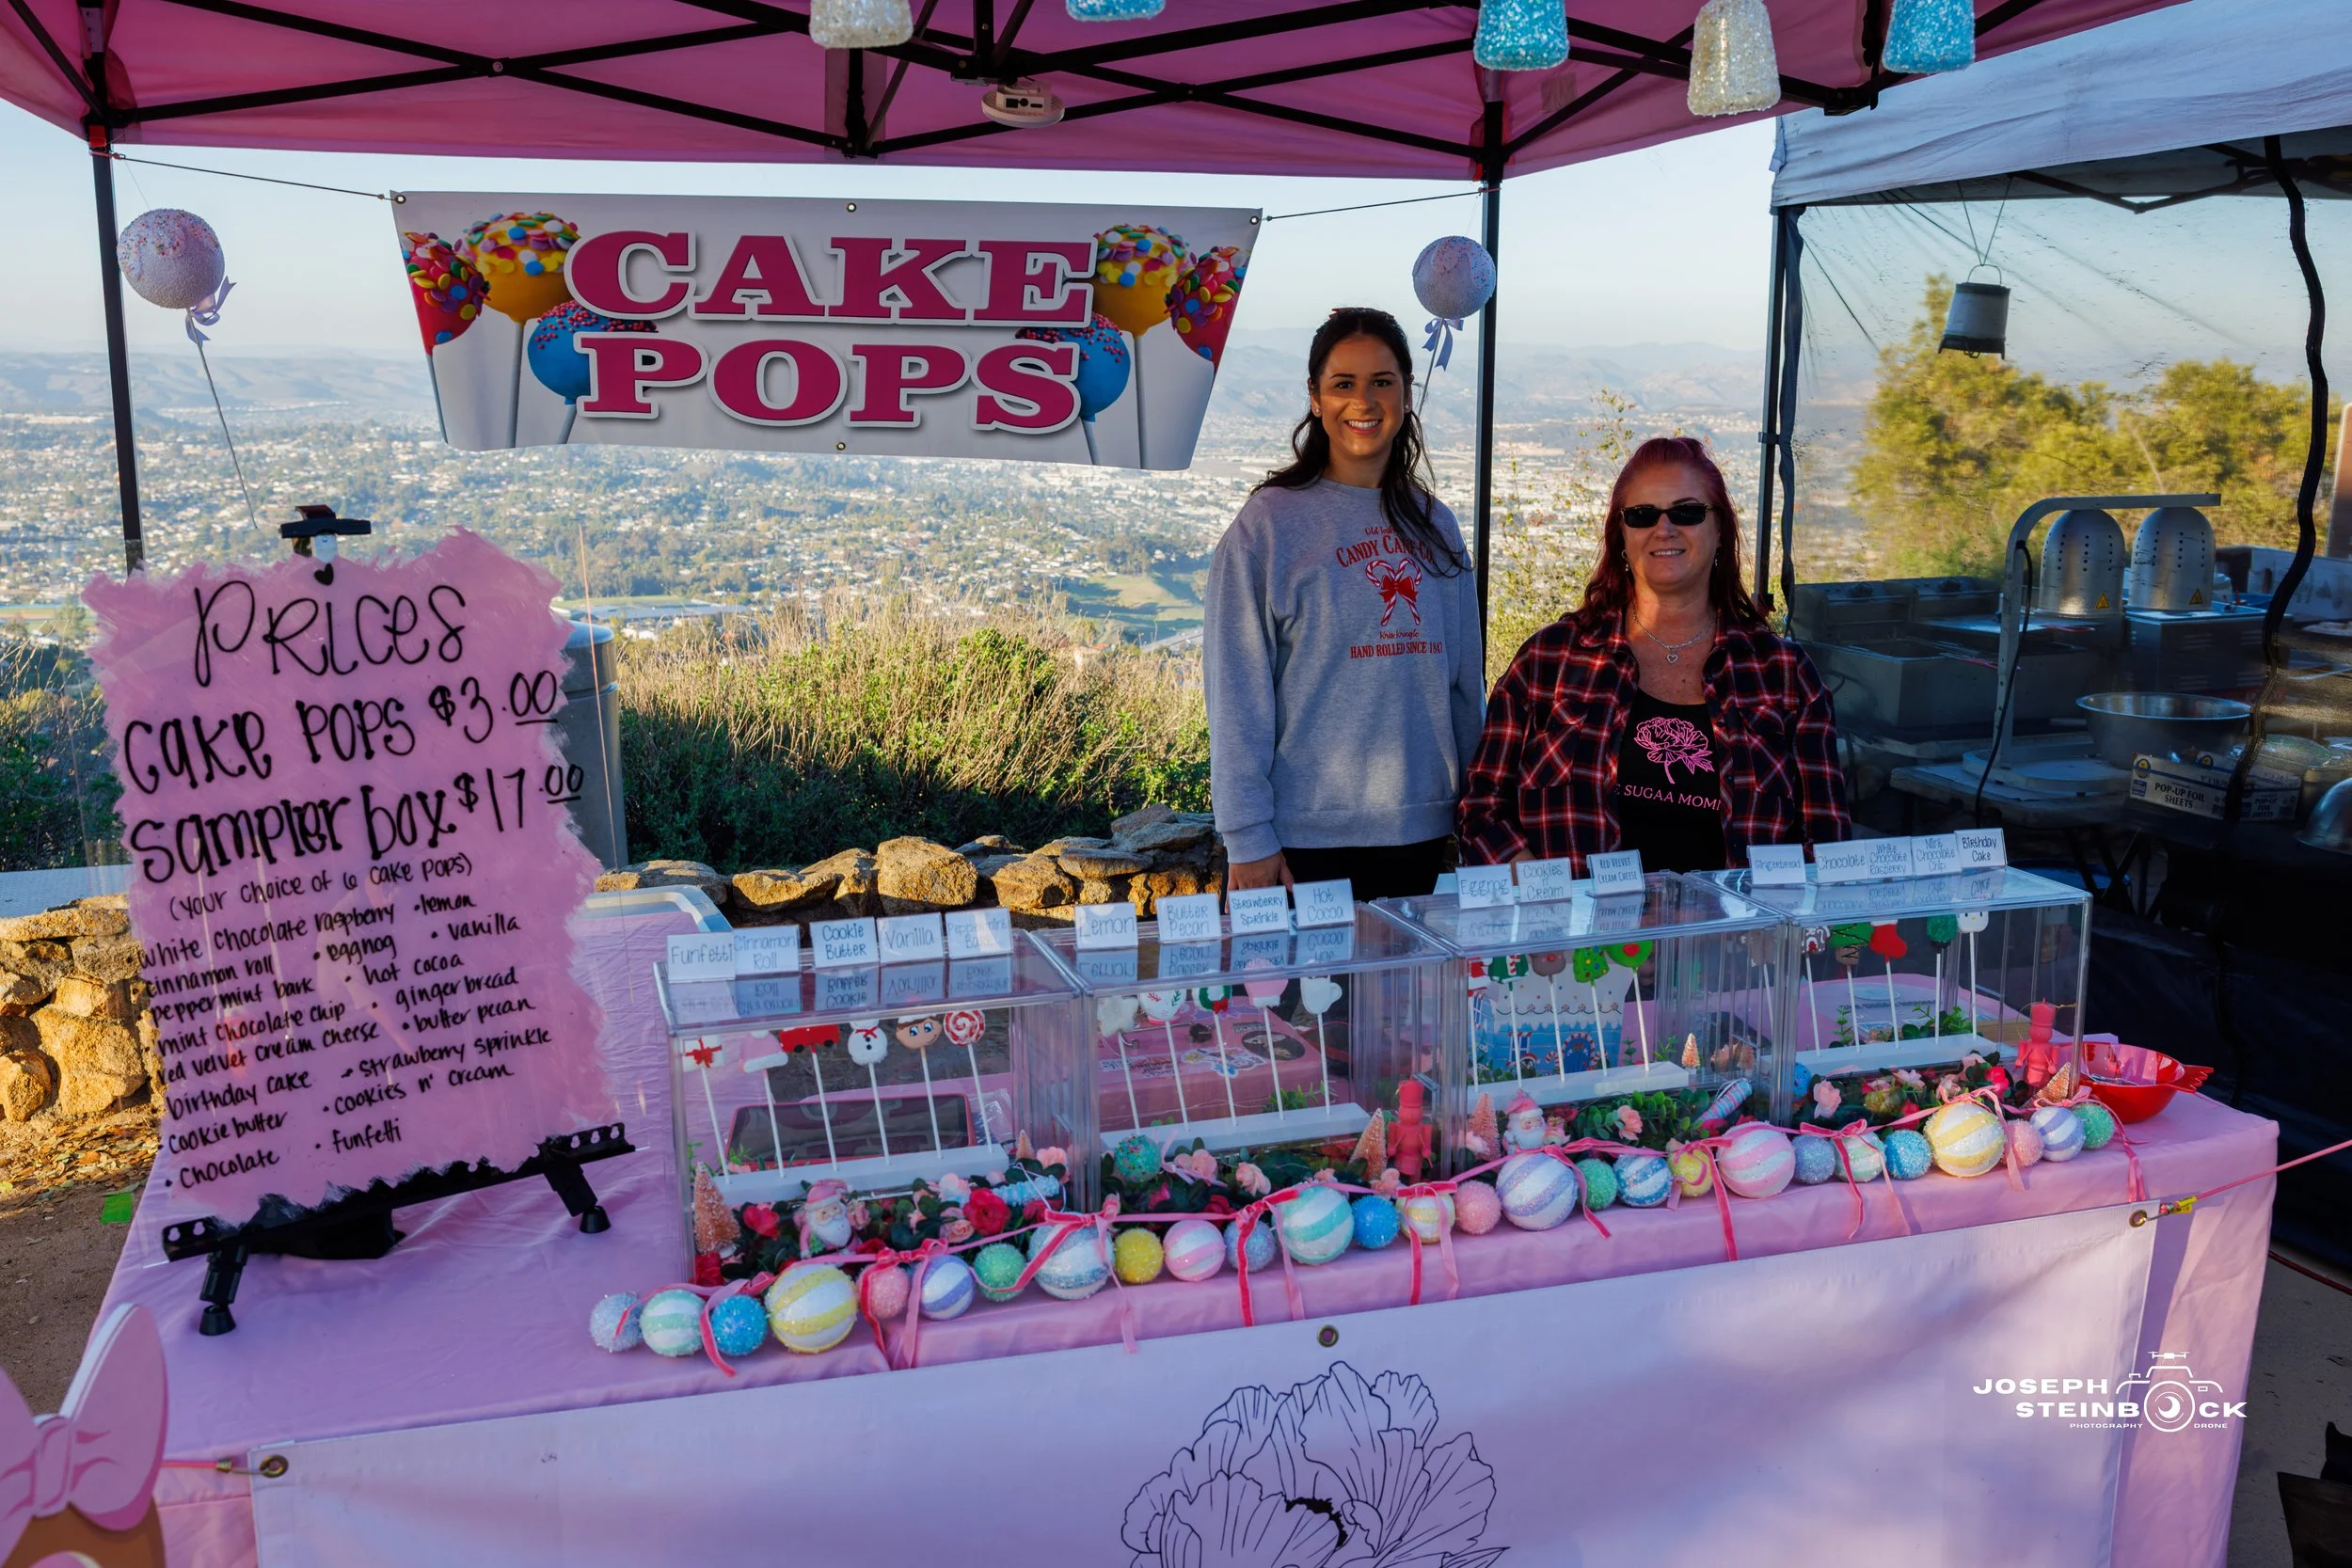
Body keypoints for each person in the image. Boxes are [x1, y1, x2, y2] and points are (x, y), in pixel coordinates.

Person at [1457, 436, 1847, 873]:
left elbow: (1827, 846)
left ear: (1720, 530)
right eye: (1642, 515)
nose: (1664, 529)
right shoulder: (1549, 662)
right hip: (1582, 937)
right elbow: (1482, 809)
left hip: (1733, 938)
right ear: (1620, 535)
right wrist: (1552, 902)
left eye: (1687, 512)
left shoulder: (1785, 676)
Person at [1204, 308, 1485, 903]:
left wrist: (1477, 810)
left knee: (1406, 1000)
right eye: (1343, 383)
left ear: (1407, 395)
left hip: (1422, 832)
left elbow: (1463, 684)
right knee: (1305, 1001)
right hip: (1302, 840)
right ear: (1315, 398)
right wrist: (1248, 837)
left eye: (1382, 381)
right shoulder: (1269, 527)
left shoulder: (1438, 527)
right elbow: (1236, 694)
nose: (1364, 400)